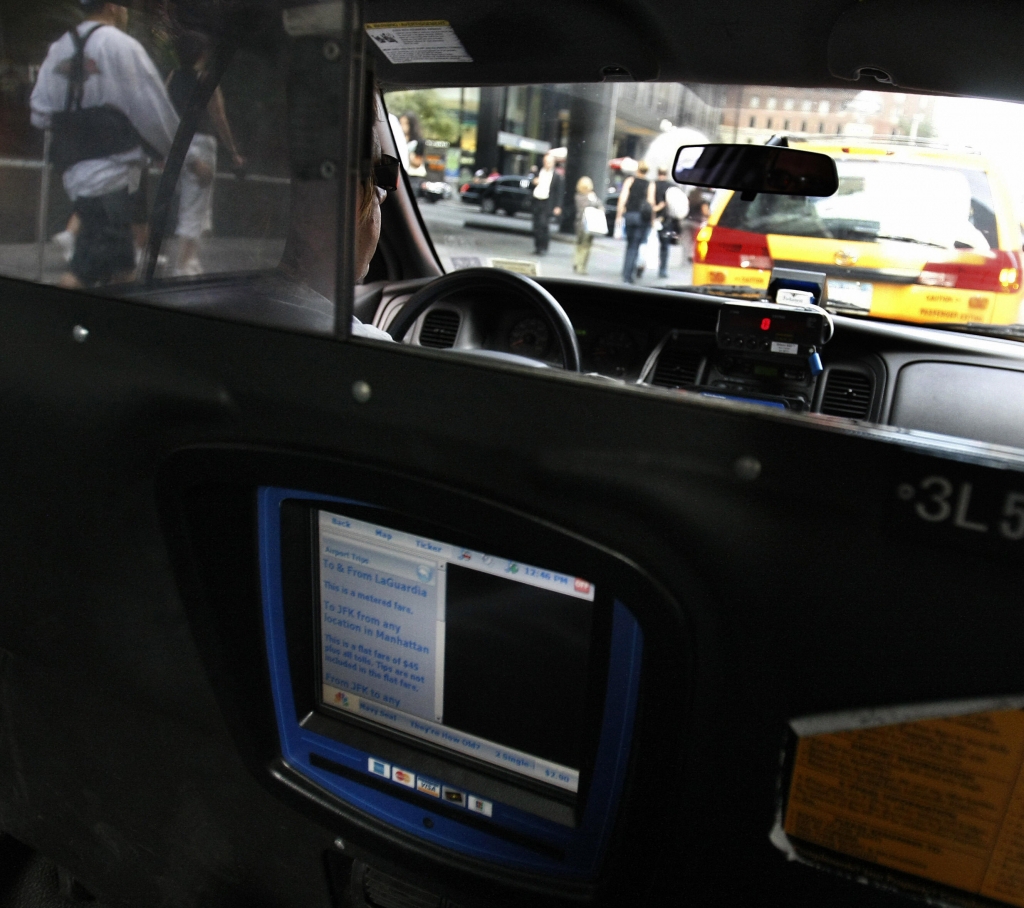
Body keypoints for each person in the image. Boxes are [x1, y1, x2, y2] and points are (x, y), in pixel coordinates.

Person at [30, 0, 178, 288]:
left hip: (74, 169)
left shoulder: (59, 47)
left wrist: (72, 121)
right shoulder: (121, 46)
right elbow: (151, 109)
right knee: (83, 271)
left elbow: (39, 111)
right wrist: (174, 149)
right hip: (109, 171)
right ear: (113, 7)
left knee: (123, 269)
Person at [166, 32, 246, 276]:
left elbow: (165, 108)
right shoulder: (207, 80)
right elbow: (218, 117)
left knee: (188, 202)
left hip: (178, 143)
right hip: (200, 144)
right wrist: (233, 152)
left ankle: (190, 258)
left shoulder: (172, 77)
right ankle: (184, 263)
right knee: (195, 203)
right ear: (203, 53)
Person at [616, 159, 654, 283]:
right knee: (635, 246)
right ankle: (628, 275)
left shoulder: (630, 181)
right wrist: (652, 220)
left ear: (637, 169)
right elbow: (651, 203)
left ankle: (625, 270)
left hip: (630, 215)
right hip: (641, 217)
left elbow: (622, 199)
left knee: (629, 243)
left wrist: (619, 215)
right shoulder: (650, 184)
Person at [530, 152, 563, 255]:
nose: (547, 164)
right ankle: (537, 246)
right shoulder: (538, 173)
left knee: (543, 224)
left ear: (553, 163)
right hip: (537, 201)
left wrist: (558, 206)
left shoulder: (557, 176)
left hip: (547, 202)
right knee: (536, 225)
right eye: (545, 162)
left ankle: (543, 247)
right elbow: (529, 187)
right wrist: (533, 183)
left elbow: (559, 192)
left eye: (549, 162)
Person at [651, 165, 678, 279]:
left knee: (648, 244)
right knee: (664, 246)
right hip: (666, 220)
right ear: (666, 174)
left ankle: (640, 267)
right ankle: (662, 270)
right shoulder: (671, 186)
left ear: (658, 173)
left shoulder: (652, 184)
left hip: (652, 217)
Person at [572, 176, 601, 274]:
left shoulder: (578, 196)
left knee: (579, 244)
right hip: (588, 224)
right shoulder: (590, 197)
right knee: (586, 246)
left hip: (578, 223)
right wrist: (593, 199)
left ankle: (576, 262)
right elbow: (596, 206)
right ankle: (581, 266)